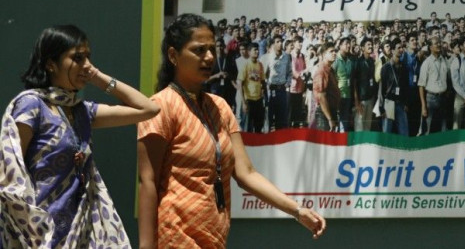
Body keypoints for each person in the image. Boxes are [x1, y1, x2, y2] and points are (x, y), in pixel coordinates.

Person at [137, 14, 325, 248]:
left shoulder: (220, 107)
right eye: (198, 50)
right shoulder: (160, 106)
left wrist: (297, 211)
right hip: (175, 238)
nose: (208, 57)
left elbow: (246, 173)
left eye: (211, 50)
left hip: (215, 237)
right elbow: (147, 182)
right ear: (174, 56)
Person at [1, 25, 160, 247]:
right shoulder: (31, 106)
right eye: (77, 58)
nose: (86, 65)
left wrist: (98, 77)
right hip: (36, 232)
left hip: (79, 231)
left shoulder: (82, 111)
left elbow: (148, 109)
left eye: (88, 57)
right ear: (50, 64)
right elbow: (10, 171)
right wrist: (31, 226)